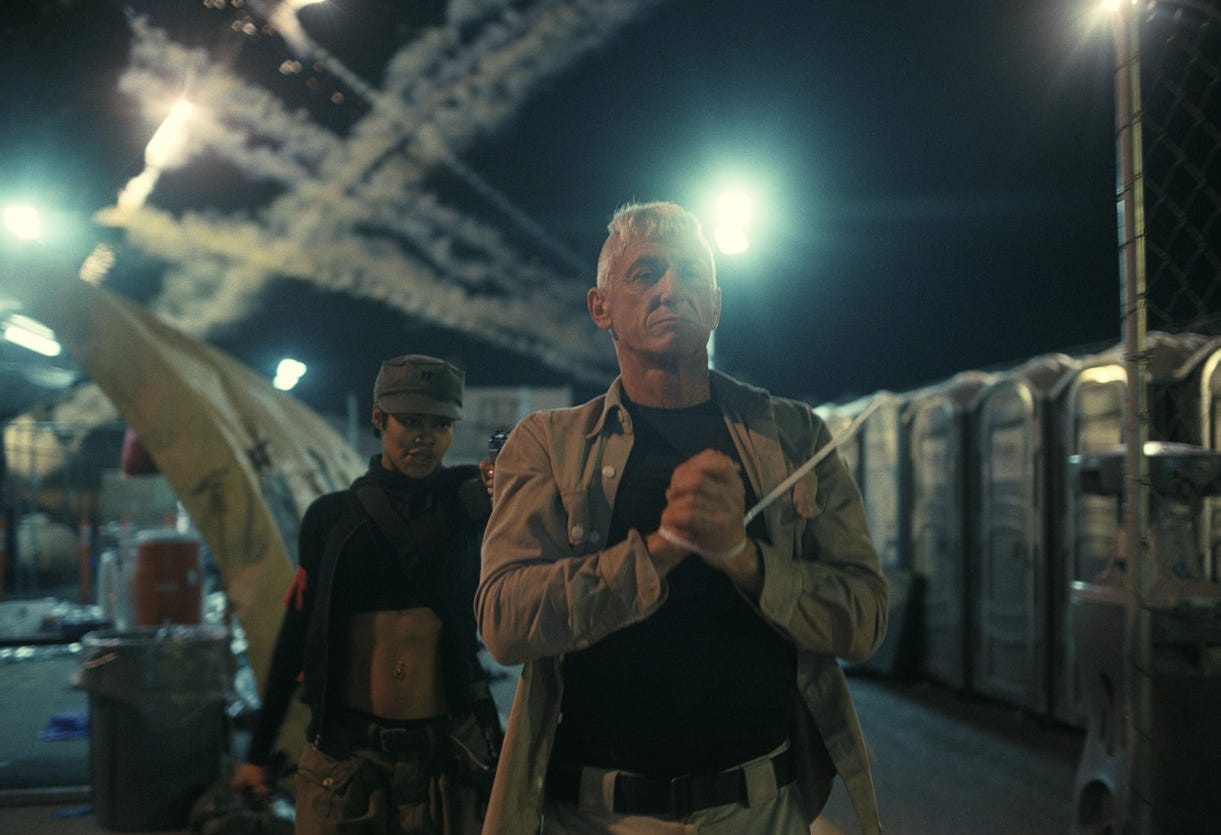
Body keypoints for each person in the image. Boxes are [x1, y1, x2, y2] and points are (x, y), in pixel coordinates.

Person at [475, 201, 889, 834]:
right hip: (597, 816)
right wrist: (664, 548)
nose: (672, 288)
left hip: (760, 811)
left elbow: (864, 622)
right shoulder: (549, 445)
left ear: (715, 306)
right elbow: (504, 624)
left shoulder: (794, 437)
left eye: (691, 272)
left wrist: (743, 559)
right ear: (601, 307)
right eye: (646, 273)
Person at [232, 354, 502, 835]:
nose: (425, 437)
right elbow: (296, 635)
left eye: (440, 424)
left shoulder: (466, 501)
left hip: (446, 753)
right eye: (411, 421)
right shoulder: (331, 519)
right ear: (379, 419)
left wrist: (505, 482)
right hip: (350, 758)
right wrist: (257, 753)